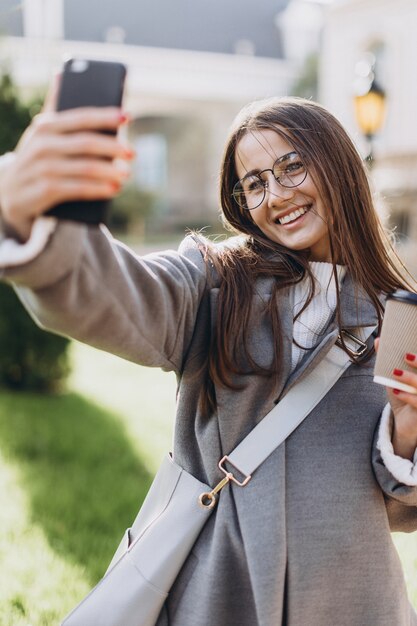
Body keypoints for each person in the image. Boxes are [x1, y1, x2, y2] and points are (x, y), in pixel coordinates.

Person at [0, 88, 417, 626]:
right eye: (255, 184)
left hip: (353, 602)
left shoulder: (397, 317)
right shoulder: (216, 283)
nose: (277, 195)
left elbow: (399, 510)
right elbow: (120, 295)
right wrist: (31, 219)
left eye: (292, 167)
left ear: (338, 164)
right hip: (217, 591)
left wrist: (405, 437)